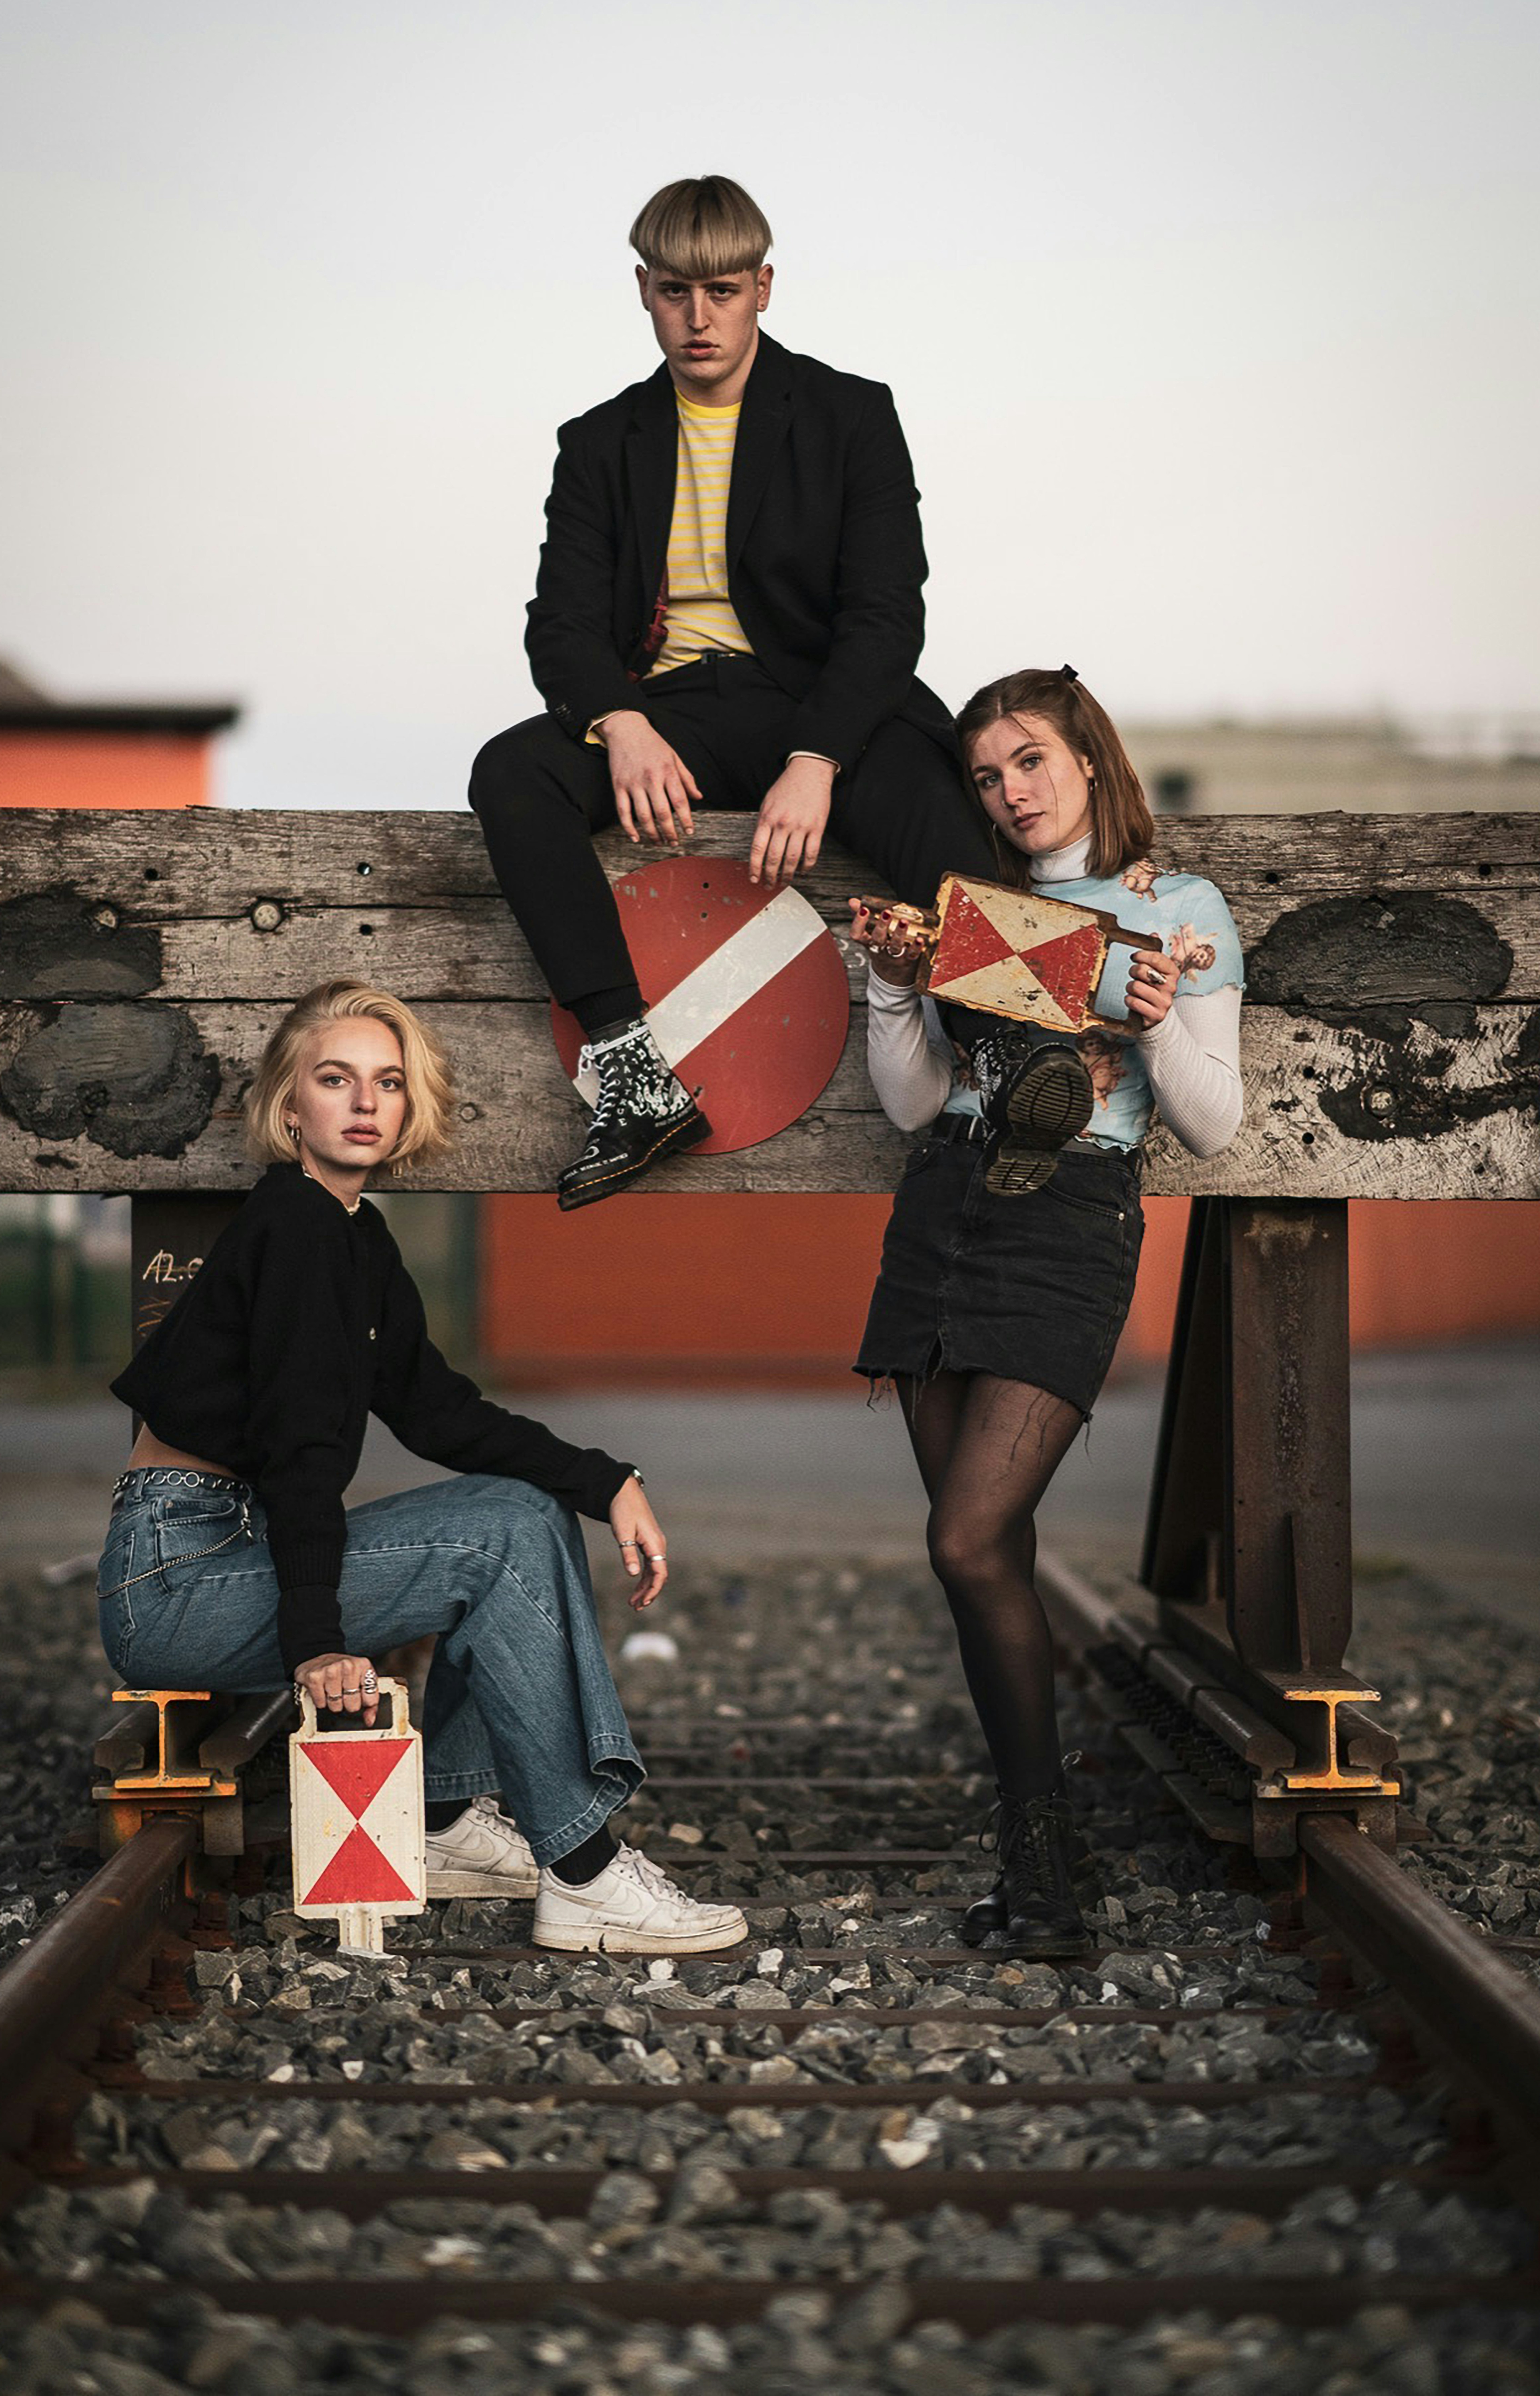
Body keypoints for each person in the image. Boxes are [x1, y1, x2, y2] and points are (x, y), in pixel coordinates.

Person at [97, 978, 747, 1956]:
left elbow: (440, 1413)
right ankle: (584, 1875)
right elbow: (301, 1449)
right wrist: (317, 1639)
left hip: (224, 1552)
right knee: (506, 1533)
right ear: (290, 1108)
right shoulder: (297, 1230)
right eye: (336, 1079)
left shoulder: (353, 1237)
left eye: (388, 1083)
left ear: (409, 1108)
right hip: (180, 1574)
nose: (365, 1103)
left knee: (518, 1507)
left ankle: (442, 1820)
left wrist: (607, 1481)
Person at [468, 172, 1005, 1212]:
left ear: (765, 286)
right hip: (670, 715)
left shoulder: (852, 415)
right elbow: (562, 625)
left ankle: (1014, 1052)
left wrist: (818, 759)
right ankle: (631, 1078)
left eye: (722, 290)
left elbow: (886, 615)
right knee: (511, 772)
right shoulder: (599, 442)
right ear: (642, 291)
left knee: (926, 797)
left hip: (826, 705)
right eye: (676, 292)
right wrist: (618, 722)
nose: (699, 317)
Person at [851, 668, 1245, 1952]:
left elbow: (1213, 1122)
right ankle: (1040, 1878)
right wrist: (896, 981)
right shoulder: (978, 908)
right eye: (985, 776)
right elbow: (914, 1105)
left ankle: (1048, 1861)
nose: (1009, 791)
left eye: (1028, 761)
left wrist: (1149, 1019)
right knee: (989, 1563)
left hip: (1071, 1217)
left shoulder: (1178, 910)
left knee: (968, 1539)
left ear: (1088, 754)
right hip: (944, 1205)